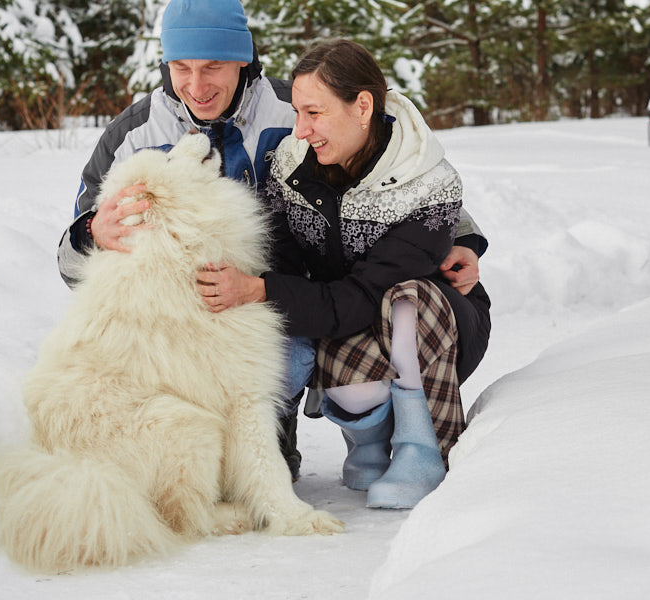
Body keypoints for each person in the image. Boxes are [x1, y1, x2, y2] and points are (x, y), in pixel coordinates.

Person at [57, 0, 487, 480]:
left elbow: (403, 171)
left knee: (296, 352)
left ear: (243, 60)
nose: (197, 86)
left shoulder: (295, 109)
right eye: (182, 69)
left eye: (213, 67)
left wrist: (460, 236)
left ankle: (277, 436)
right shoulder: (134, 135)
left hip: (276, 301)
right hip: (173, 317)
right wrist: (91, 234)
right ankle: (169, 453)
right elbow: (71, 261)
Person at [195, 39, 491, 509]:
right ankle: (369, 446)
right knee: (331, 354)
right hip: (347, 314)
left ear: (363, 107)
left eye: (313, 113)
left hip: (437, 325)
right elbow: (290, 267)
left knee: (405, 297)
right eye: (297, 112)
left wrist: (258, 290)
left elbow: (360, 294)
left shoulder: (427, 185)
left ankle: (423, 448)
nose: (300, 130)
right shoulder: (291, 167)